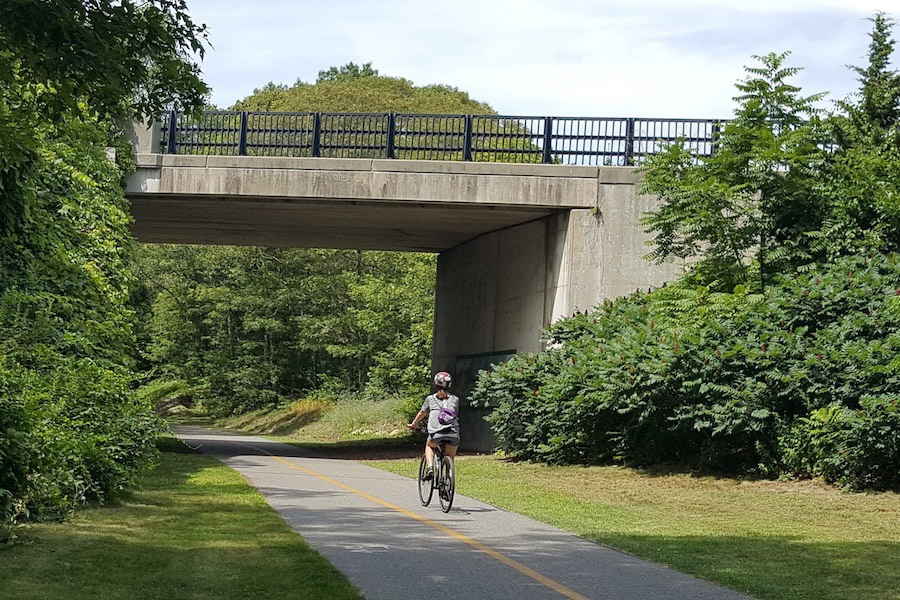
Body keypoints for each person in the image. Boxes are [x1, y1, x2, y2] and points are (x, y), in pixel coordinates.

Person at [408, 371, 460, 479]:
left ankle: (430, 467)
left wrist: (414, 424)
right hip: (453, 433)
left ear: (435, 384)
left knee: (429, 446)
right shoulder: (455, 399)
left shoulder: (430, 399)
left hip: (436, 434)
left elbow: (422, 413)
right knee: (450, 456)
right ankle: (449, 477)